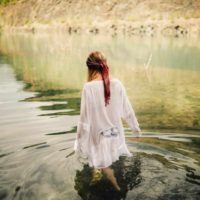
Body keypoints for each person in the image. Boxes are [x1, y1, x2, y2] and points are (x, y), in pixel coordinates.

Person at [74, 51, 142, 191]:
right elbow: (127, 110)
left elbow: (84, 119)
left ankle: (115, 184)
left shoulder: (88, 88)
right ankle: (108, 178)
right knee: (112, 160)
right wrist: (135, 128)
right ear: (105, 64)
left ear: (90, 68)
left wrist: (79, 138)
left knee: (101, 162)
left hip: (98, 136)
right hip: (116, 134)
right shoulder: (117, 84)